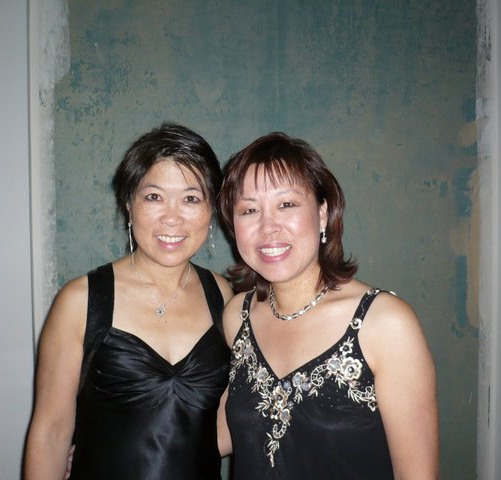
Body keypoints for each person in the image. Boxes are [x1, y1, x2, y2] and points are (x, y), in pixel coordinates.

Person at [216, 132, 439, 479]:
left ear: (322, 214)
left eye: (286, 204)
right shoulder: (237, 317)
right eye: (249, 210)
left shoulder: (384, 324)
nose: (268, 226)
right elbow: (224, 434)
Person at [24, 123, 234, 480]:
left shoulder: (223, 295)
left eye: (191, 198)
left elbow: (222, 421)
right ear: (128, 204)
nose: (172, 217)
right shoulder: (80, 301)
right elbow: (51, 431)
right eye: (154, 197)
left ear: (210, 208)